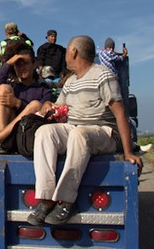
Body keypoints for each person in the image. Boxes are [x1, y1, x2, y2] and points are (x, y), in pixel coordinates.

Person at [26, 35, 142, 226]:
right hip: (75, 129)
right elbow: (59, 107)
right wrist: (48, 106)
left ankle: (66, 200)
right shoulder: (70, 82)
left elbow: (120, 112)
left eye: (68, 50)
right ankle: (46, 198)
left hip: (103, 131)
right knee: (45, 132)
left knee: (79, 134)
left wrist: (128, 152)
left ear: (74, 52)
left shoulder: (103, 74)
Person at [0, 40, 51, 154]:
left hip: (27, 134)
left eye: (25, 63)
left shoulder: (44, 89)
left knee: (36, 104)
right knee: (2, 88)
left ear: (34, 63)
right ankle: (4, 143)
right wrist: (8, 64)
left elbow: (43, 114)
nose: (22, 68)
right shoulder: (12, 85)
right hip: (10, 133)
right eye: (18, 64)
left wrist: (18, 104)